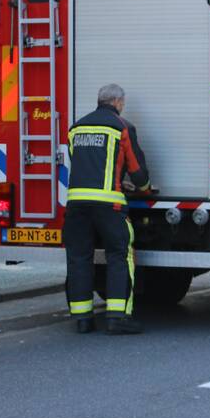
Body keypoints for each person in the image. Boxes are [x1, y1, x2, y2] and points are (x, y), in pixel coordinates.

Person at [64, 83, 150, 335]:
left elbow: (80, 162)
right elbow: (136, 170)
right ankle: (117, 318)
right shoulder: (121, 127)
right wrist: (143, 187)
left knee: (79, 258)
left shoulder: (76, 128)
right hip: (108, 205)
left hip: (76, 204)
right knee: (119, 256)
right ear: (118, 102)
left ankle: (83, 320)